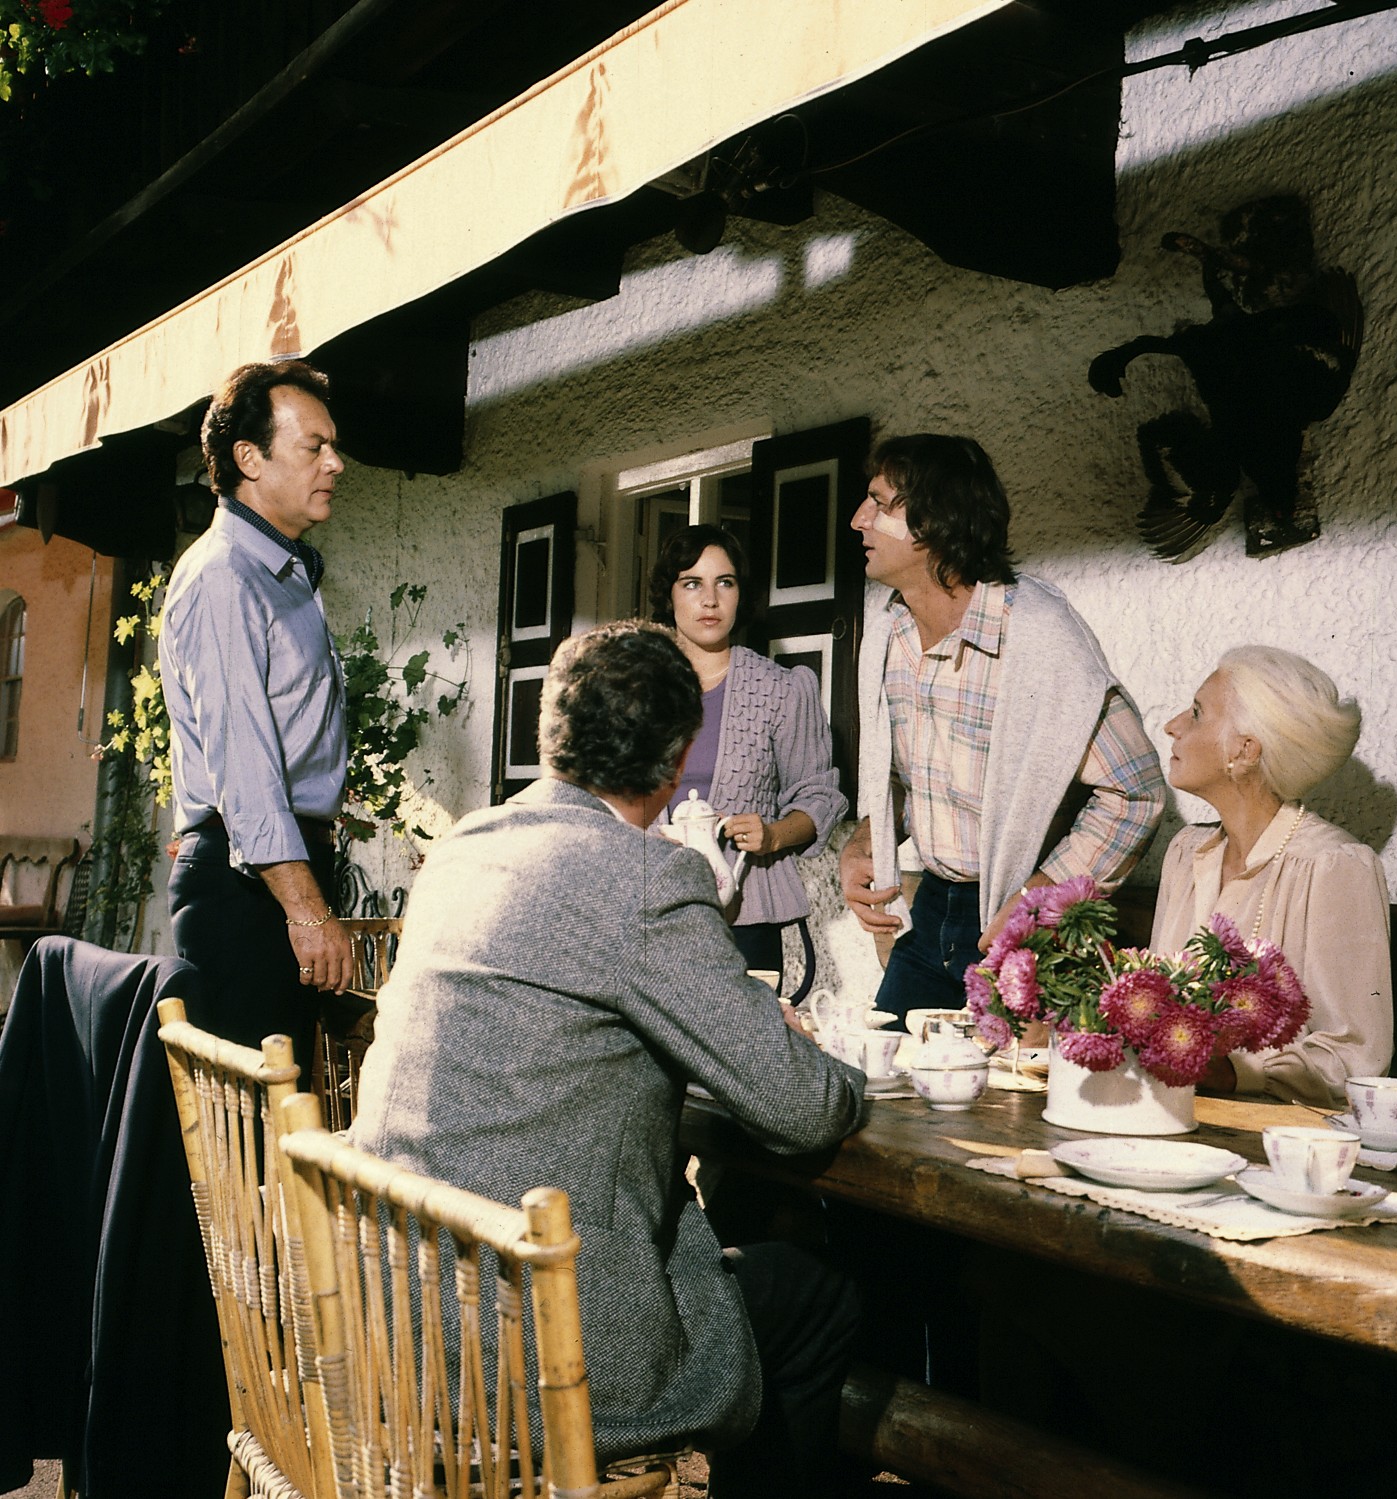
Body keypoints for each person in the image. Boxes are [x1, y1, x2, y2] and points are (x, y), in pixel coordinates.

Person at [351, 620, 866, 1498]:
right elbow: (804, 1107)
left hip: (393, 1315)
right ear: (678, 762)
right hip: (535, 1346)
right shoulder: (644, 876)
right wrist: (820, 1055)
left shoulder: (463, 848)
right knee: (816, 1295)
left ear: (550, 733)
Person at [839, 433, 1165, 1019]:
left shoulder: (1036, 634)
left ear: (934, 521)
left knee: (1010, 1082)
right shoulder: (891, 631)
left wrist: (1039, 901)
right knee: (884, 1065)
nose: (859, 519)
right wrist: (867, 841)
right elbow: (906, 779)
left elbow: (1136, 791)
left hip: (1016, 928)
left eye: (879, 503)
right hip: (928, 913)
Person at [158, 359, 353, 1062]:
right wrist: (306, 910)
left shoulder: (280, 570)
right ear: (249, 458)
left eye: (333, 446)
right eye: (314, 446)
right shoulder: (225, 576)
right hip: (250, 891)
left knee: (290, 1110)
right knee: (255, 1117)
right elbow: (244, 769)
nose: (335, 463)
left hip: (275, 872)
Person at [1151, 645, 1393, 1105]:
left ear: (1245, 750)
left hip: (1269, 1132)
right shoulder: (1185, 853)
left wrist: (1236, 1072)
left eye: (1197, 713)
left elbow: (1354, 1058)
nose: (1173, 725)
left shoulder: (1334, 866)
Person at [648, 524, 846, 973]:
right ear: (669, 595)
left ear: (741, 594)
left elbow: (818, 796)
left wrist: (772, 835)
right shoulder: (633, 686)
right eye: (692, 583)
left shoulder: (781, 689)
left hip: (744, 917)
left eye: (725, 582)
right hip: (645, 910)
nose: (710, 600)